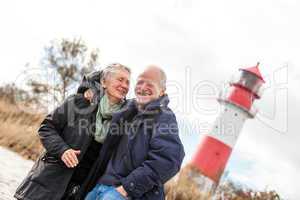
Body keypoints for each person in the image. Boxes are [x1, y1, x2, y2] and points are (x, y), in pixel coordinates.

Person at [14, 63, 131, 200]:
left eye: (128, 82)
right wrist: (62, 150)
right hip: (49, 184)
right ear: (104, 82)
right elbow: (47, 128)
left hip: (79, 191)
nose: (125, 85)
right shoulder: (79, 102)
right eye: (120, 79)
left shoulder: (125, 118)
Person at [84, 65, 185, 200]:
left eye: (150, 84)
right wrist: (91, 90)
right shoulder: (126, 108)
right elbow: (104, 81)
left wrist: (127, 188)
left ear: (162, 91)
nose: (143, 87)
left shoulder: (164, 116)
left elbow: (169, 160)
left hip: (123, 194)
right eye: (140, 82)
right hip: (99, 186)